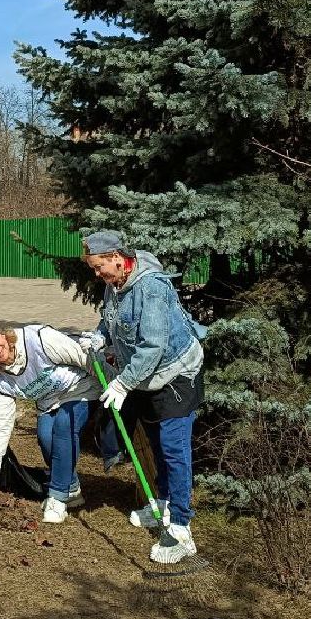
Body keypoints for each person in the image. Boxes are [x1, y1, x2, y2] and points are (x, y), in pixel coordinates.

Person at [79, 230, 207, 566]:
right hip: (147, 379)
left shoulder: (150, 288)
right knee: (154, 442)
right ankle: (162, 504)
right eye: (93, 269)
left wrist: (122, 384)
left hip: (176, 375)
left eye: (98, 267)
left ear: (117, 258)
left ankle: (181, 528)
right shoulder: (115, 284)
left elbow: (153, 346)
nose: (97, 275)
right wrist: (97, 337)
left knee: (173, 449)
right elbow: (112, 321)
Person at [0, 318, 100, 523]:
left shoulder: (39, 340)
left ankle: (58, 497)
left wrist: (117, 386)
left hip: (81, 388)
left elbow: (83, 357)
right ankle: (72, 487)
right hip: (49, 401)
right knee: (44, 437)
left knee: (63, 427)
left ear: (4, 334)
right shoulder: (1, 380)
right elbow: (0, 425)